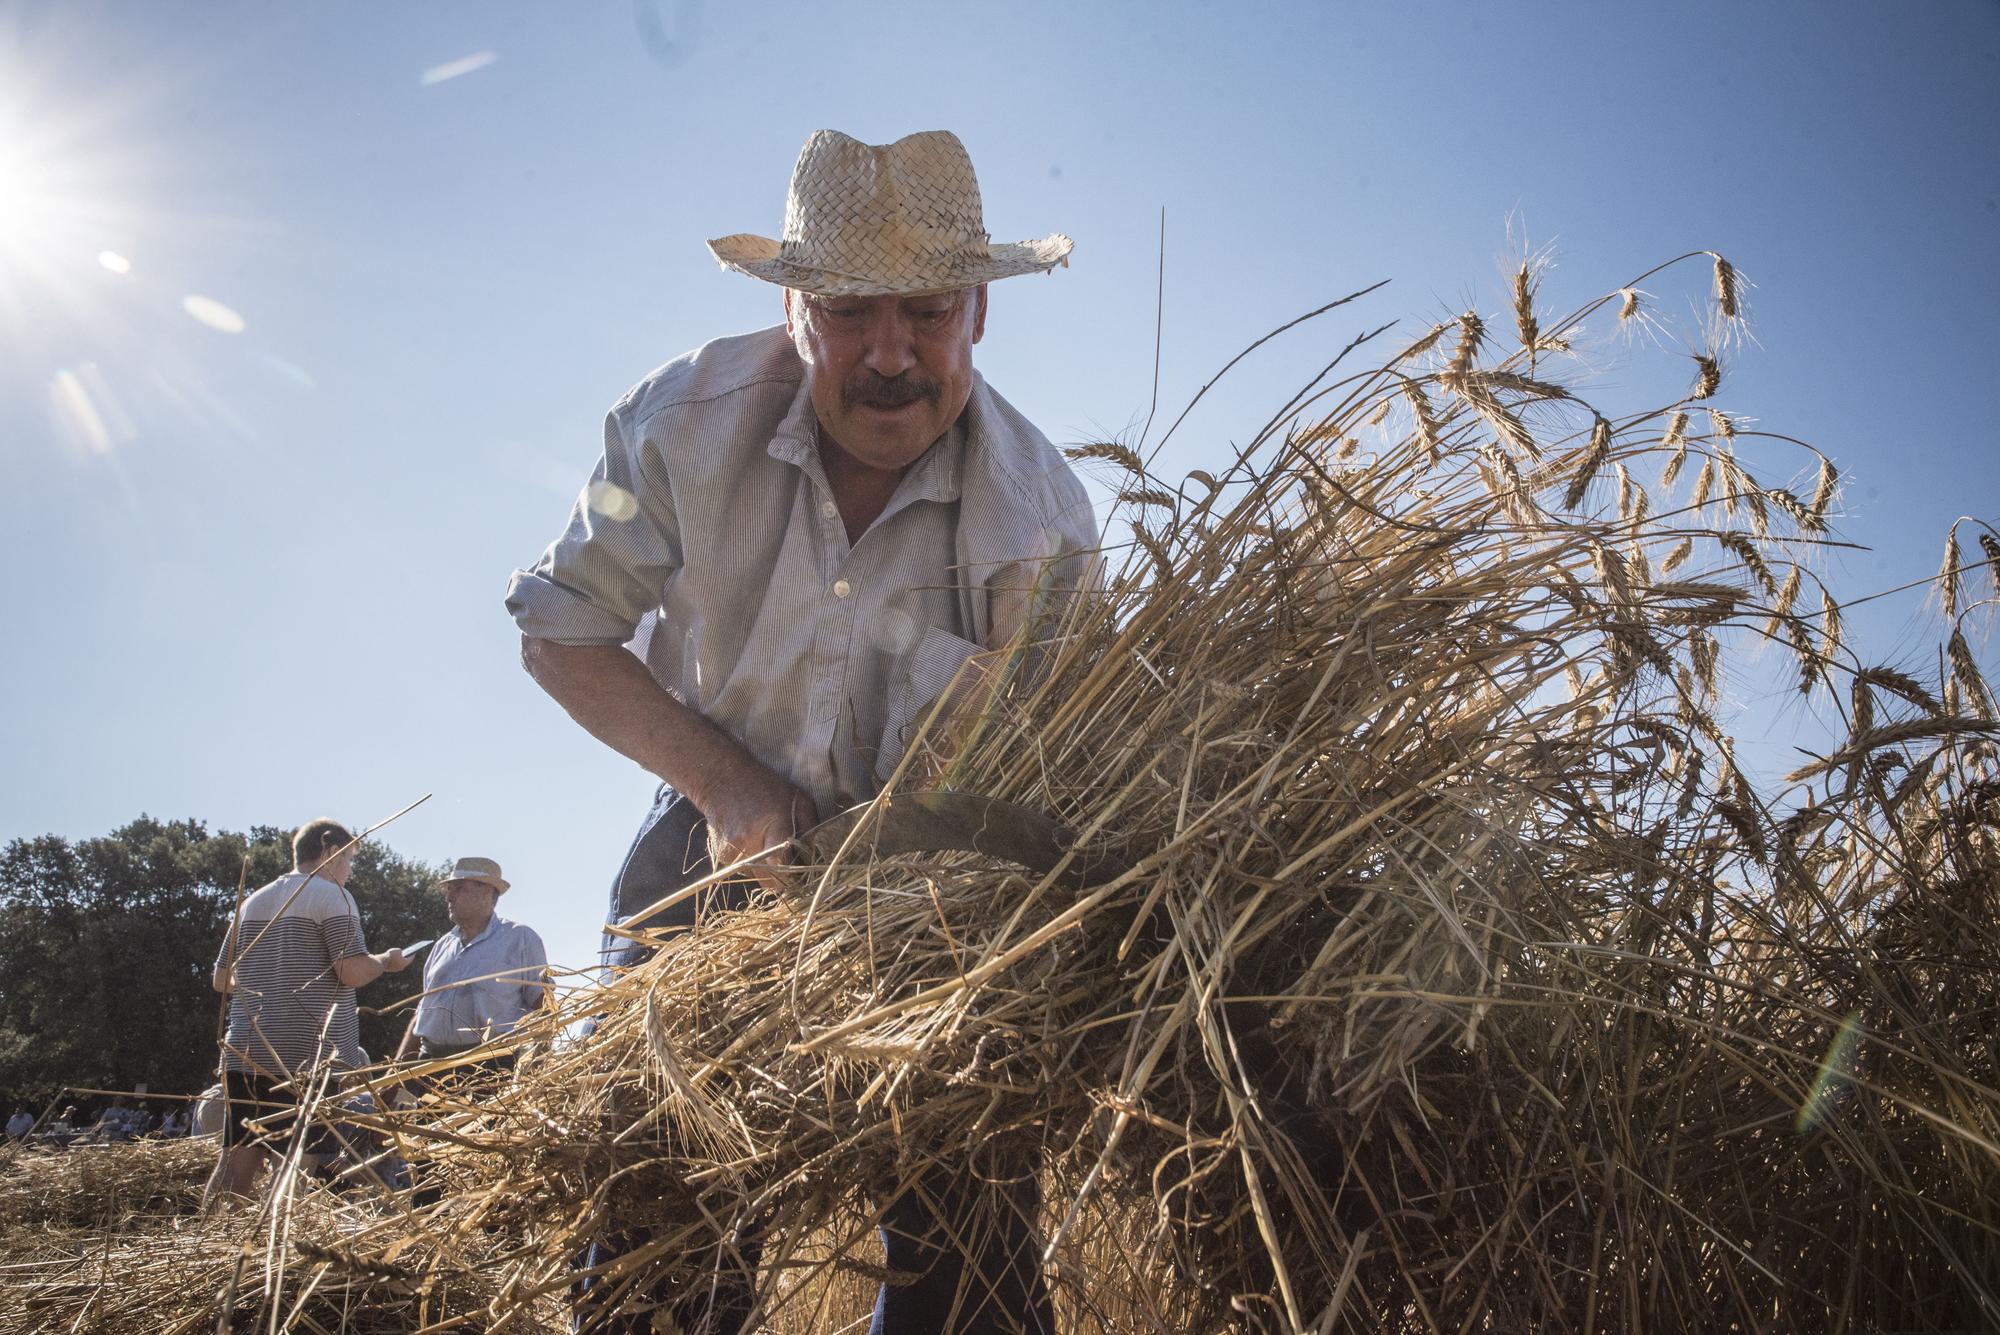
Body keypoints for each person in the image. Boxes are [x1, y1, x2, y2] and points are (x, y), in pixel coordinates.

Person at [508, 128, 1095, 1335]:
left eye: (925, 313)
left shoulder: (1042, 523)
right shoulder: (675, 423)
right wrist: (725, 786)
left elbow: (1052, 758)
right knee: (655, 1237)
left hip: (936, 899)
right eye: (846, 313)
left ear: (978, 309)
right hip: (701, 854)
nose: (889, 355)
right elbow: (560, 631)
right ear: (793, 309)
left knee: (970, 1268)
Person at [204, 817, 410, 1208]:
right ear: (330, 853)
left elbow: (221, 978)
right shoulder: (333, 897)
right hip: (308, 1058)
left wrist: (271, 980)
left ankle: (207, 1246)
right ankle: (273, 1255)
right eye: (349, 860)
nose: (350, 873)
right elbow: (350, 970)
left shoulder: (253, 902)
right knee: (298, 1164)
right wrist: (386, 960)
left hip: (246, 1052)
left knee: (235, 1160)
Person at [396, 856, 549, 1068]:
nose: (449, 897)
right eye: (449, 889)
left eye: (458, 888)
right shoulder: (442, 946)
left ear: (488, 894)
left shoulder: (520, 939)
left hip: (489, 1069)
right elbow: (423, 1012)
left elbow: (545, 1008)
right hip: (431, 1065)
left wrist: (539, 1067)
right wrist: (394, 1075)